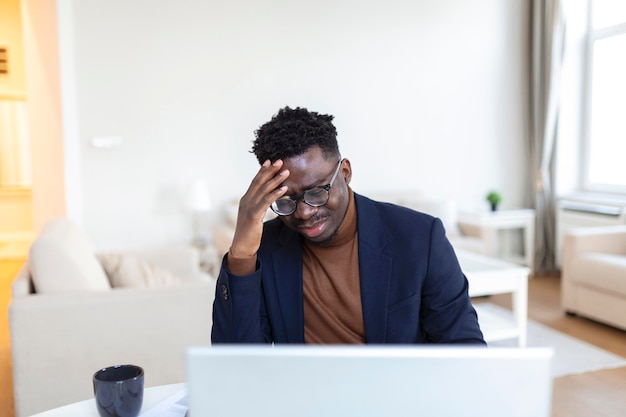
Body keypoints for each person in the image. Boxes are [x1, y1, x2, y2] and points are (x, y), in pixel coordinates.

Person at [211, 106, 485, 344]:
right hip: (305, 399)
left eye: (317, 192)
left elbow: (463, 346)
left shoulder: (419, 238)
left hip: (396, 397)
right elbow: (236, 365)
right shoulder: (264, 250)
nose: (304, 212)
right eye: (285, 201)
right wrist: (242, 256)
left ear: (345, 172)